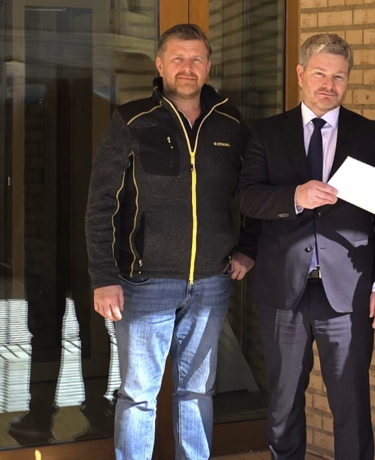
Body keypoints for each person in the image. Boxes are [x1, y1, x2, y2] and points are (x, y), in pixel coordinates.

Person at [85, 24, 254, 460]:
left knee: (197, 391)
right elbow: (101, 203)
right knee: (139, 395)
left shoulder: (231, 123)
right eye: (177, 58)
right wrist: (104, 276)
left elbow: (253, 190)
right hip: (145, 283)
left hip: (211, 282)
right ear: (160, 65)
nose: (187, 67)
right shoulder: (132, 121)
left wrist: (247, 246)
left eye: (196, 59)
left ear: (208, 66)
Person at [236, 33, 375, 460]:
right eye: (320, 74)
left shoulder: (370, 135)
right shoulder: (268, 132)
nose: (329, 85)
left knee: (351, 406)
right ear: (300, 74)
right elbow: (247, 197)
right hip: (282, 290)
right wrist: (295, 196)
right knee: (283, 405)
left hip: (348, 293)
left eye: (339, 77)